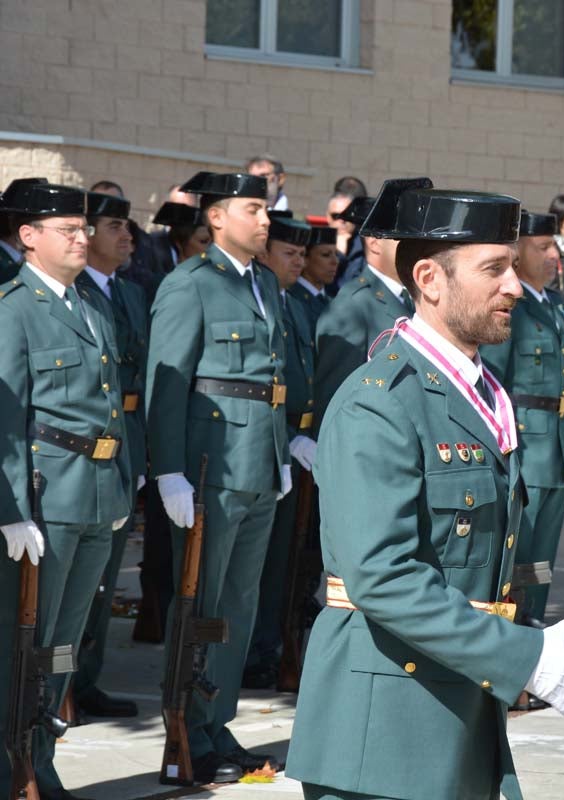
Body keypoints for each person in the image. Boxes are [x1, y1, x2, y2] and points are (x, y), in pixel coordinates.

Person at [286, 186, 564, 800]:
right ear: (429, 279)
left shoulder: (481, 391)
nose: (515, 286)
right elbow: (381, 577)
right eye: (494, 268)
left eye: (515, 267)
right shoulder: (379, 401)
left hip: (457, 708)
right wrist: (524, 657)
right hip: (386, 727)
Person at [145, 171, 290, 784]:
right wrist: (169, 471)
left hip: (258, 462)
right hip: (212, 465)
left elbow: (272, 377)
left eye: (266, 210)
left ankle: (216, 718)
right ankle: (187, 728)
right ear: (218, 218)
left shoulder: (265, 284)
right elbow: (166, 382)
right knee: (200, 603)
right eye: (253, 209)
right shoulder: (189, 285)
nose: (265, 221)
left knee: (238, 603)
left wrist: (282, 453)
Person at [0, 181, 133, 800]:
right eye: (67, 228)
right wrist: (11, 511)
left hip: (97, 496)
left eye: (83, 228)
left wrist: (123, 482)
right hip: (45, 499)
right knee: (23, 639)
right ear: (28, 236)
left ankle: (42, 757)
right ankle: (11, 765)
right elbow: (7, 419)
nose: (82, 237)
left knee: (62, 645)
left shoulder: (91, 304)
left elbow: (111, 405)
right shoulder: (12, 307)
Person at [71, 191, 150, 722]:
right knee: (73, 582)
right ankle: (61, 685)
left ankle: (88, 677)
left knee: (104, 575)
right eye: (115, 226)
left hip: (126, 440)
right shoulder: (72, 294)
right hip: (81, 449)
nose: (127, 236)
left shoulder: (132, 293)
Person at [479, 212, 564, 629]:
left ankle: (536, 625)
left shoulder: (554, 304)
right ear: (517, 258)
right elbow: (494, 380)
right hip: (526, 443)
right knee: (522, 553)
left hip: (555, 444)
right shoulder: (513, 308)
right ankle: (517, 636)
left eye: (554, 245)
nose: (554, 255)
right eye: (544, 247)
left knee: (543, 559)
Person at [243, 212, 316, 690]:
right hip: (276, 440)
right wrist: (288, 434)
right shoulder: (267, 300)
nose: (299, 262)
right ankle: (258, 649)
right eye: (289, 253)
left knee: (288, 562)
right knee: (265, 564)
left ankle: (270, 643)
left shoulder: (297, 304)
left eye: (302, 254)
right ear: (266, 256)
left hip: (299, 445)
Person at [313, 178, 433, 430]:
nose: (418, 250)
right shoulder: (354, 305)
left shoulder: (416, 300)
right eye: (405, 240)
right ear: (374, 242)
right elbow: (334, 402)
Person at [293, 221, 343, 332]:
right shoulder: (291, 300)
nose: (335, 261)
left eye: (336, 254)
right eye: (326, 255)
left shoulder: (334, 301)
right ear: (305, 259)